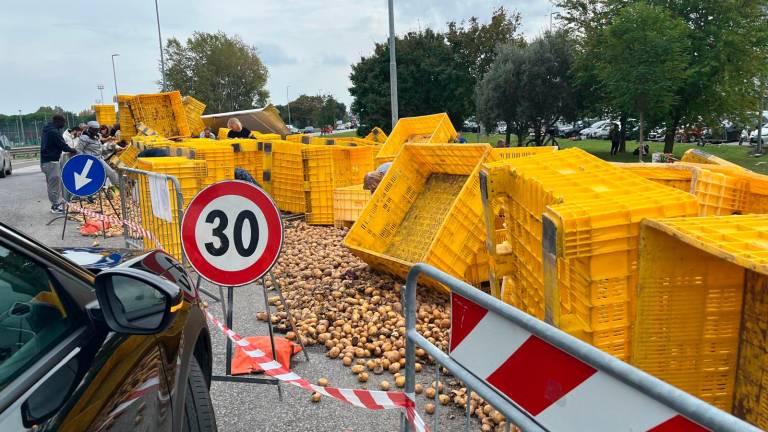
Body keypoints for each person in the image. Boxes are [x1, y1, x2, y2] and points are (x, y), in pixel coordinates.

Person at [41, 115, 77, 214]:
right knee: (54, 184)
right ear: (58, 121)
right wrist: (73, 150)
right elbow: (62, 145)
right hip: (51, 161)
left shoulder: (48, 129)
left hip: (46, 161)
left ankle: (55, 204)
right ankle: (55, 206)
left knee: (52, 183)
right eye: (63, 122)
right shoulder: (54, 132)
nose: (64, 124)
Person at [78, 121, 120, 191]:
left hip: (99, 158)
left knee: (111, 172)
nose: (96, 132)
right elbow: (79, 150)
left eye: (97, 130)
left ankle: (119, 186)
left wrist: (112, 146)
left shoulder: (96, 136)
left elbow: (100, 147)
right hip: (89, 160)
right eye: (94, 130)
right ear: (90, 129)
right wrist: (83, 161)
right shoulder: (84, 138)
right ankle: (88, 194)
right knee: (91, 178)